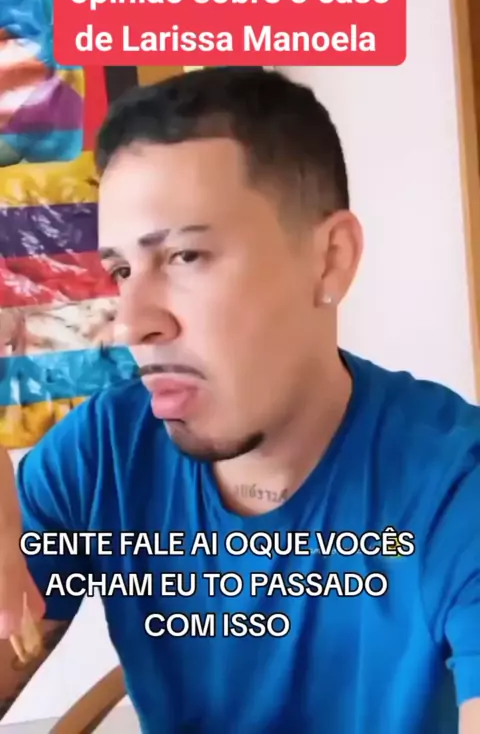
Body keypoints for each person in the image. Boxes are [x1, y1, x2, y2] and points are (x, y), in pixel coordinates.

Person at [0, 67, 479, 733]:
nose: (131, 323)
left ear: (330, 259)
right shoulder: (102, 453)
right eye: (121, 271)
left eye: (186, 257)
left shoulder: (455, 485)